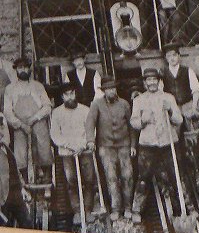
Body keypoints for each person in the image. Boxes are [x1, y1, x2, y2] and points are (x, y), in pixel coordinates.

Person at [130, 68, 182, 223]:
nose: (152, 82)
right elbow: (133, 122)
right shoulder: (139, 100)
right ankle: (137, 210)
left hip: (168, 142)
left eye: (154, 79)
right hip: (148, 144)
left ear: (159, 81)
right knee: (143, 177)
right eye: (148, 80)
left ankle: (180, 208)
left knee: (175, 176)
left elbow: (179, 120)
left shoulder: (168, 98)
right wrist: (142, 121)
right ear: (145, 83)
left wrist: (171, 111)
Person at [86, 75, 133, 221]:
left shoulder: (124, 104)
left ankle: (128, 208)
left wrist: (133, 145)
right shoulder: (96, 105)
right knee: (111, 177)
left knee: (127, 176)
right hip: (106, 147)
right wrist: (90, 140)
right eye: (108, 89)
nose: (111, 91)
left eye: (113, 88)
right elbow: (90, 123)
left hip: (124, 145)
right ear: (103, 91)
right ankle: (115, 208)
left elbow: (131, 126)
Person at [50, 82, 95, 224]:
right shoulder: (56, 113)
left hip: (85, 150)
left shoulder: (85, 110)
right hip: (67, 153)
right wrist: (69, 145)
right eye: (67, 95)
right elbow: (55, 135)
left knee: (89, 180)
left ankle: (87, 210)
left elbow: (91, 130)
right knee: (71, 182)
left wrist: (82, 145)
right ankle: (77, 211)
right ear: (62, 97)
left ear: (75, 94)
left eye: (72, 93)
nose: (70, 97)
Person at [3, 58, 52, 182]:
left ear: (29, 68)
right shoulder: (10, 89)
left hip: (38, 121)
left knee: (43, 148)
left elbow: (47, 106)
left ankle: (46, 179)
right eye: (20, 68)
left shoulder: (38, 86)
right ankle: (24, 181)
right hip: (20, 124)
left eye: (25, 67)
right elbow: (8, 112)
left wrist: (35, 118)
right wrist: (19, 124)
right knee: (20, 154)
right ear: (16, 70)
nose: (23, 70)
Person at [0, 116, 31, 228]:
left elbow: (16, 171)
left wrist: (22, 188)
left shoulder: (7, 150)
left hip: (16, 194)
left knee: (27, 224)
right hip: (2, 197)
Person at [162, 43, 199, 118]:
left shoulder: (188, 71)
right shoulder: (162, 73)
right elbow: (160, 93)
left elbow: (195, 90)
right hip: (172, 108)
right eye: (169, 56)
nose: (172, 58)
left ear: (179, 56)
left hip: (187, 106)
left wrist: (194, 107)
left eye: (174, 55)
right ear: (166, 58)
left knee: (190, 128)